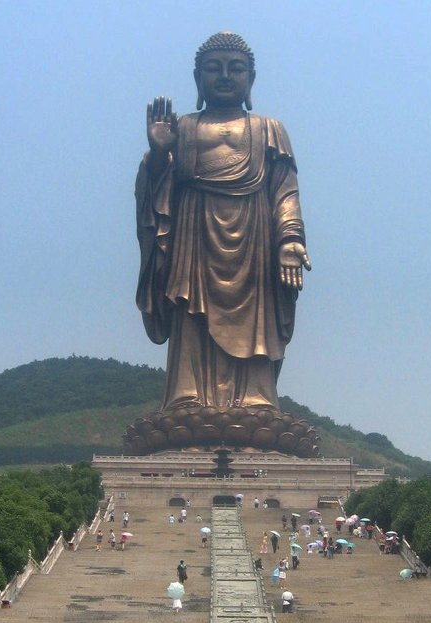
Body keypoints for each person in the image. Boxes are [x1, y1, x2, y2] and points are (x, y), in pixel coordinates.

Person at [136, 32, 310, 414]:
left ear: (251, 78)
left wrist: (290, 240)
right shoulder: (181, 127)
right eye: (214, 69)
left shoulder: (269, 129)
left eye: (237, 68)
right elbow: (157, 193)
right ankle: (186, 396)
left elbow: (285, 191)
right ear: (198, 79)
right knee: (190, 313)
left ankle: (257, 399)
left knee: (256, 320)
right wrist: (158, 154)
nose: (226, 76)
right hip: (194, 237)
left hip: (256, 238)